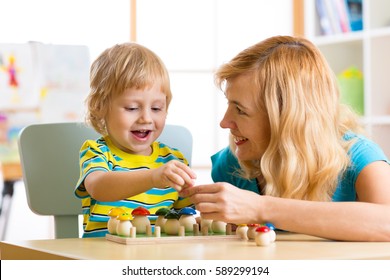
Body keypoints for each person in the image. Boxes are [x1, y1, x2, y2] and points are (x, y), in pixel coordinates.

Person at [180, 35, 390, 241]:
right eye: (229, 104)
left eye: (241, 110)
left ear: (287, 118)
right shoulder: (232, 165)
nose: (225, 122)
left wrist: (260, 207)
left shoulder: (359, 157)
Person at [75, 42, 196, 238]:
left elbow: (186, 217)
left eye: (156, 108)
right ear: (100, 107)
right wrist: (152, 177)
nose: (146, 118)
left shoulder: (172, 160)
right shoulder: (98, 152)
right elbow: (98, 187)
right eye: (132, 108)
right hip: (102, 256)